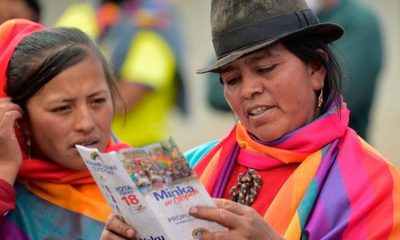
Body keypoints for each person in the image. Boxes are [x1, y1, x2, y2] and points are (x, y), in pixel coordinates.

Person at [102, 0, 400, 239]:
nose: (248, 90)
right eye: (232, 79)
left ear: (316, 70)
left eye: (266, 68)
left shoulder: (374, 185)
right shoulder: (185, 169)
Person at [0, 19, 130, 239]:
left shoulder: (149, 180)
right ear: (20, 121)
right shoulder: (11, 199)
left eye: (97, 101)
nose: (86, 123)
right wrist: (5, 168)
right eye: (63, 108)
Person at [56, 0, 188, 147]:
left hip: (143, 150)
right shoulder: (82, 13)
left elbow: (123, 100)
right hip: (84, 149)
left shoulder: (157, 25)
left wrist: (67, 88)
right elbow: (49, 70)